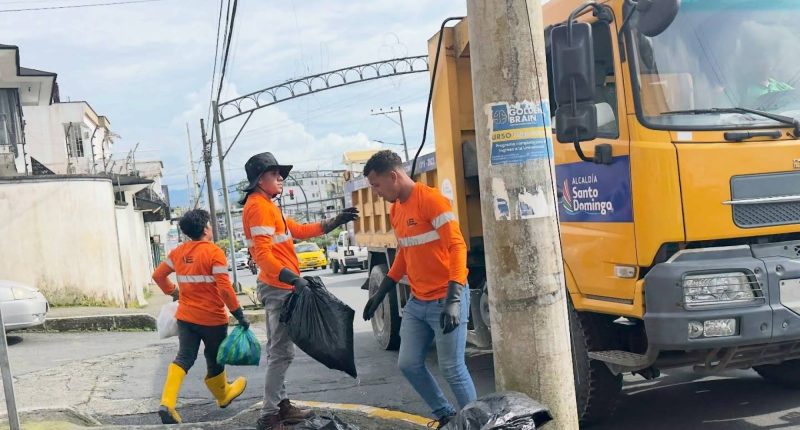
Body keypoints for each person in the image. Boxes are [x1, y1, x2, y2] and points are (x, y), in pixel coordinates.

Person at [239, 152, 359, 430]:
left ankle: (281, 406)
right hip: (278, 288)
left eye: (281, 174)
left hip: (281, 286)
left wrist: (334, 222)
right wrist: (293, 279)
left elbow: (299, 230)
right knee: (282, 353)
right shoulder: (258, 207)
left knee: (279, 350)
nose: (281, 178)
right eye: (274, 174)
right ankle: (269, 415)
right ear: (259, 180)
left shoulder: (267, 206)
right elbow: (263, 256)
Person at [362, 150, 476, 429]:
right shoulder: (396, 209)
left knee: (452, 368)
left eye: (377, 185)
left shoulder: (431, 200)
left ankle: (477, 423)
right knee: (409, 364)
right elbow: (404, 252)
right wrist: (382, 291)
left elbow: (457, 246)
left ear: (393, 176)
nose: (376, 193)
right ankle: (446, 414)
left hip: (445, 298)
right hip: (418, 302)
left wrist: (454, 299)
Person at [151, 209, 251, 424]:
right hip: (213, 319)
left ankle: (167, 403)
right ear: (205, 229)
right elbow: (225, 288)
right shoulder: (214, 252)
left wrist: (174, 292)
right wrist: (239, 314)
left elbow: (158, 275)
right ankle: (223, 395)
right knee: (215, 359)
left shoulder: (178, 252)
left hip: (186, 317)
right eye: (210, 224)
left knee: (184, 358)